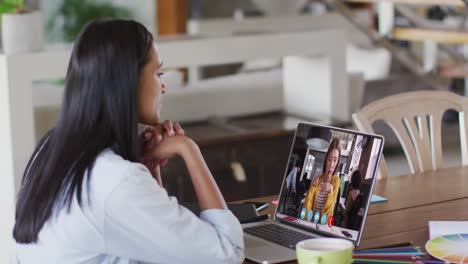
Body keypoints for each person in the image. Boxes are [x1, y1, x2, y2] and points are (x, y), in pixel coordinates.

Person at [12, 19, 244, 264]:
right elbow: (227, 253)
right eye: (158, 73)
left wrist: (150, 169)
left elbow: (158, 246)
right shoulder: (116, 179)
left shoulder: (51, 150)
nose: (163, 86)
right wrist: (189, 149)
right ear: (127, 82)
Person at [303, 138, 341, 218]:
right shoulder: (318, 178)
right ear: (326, 159)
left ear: (337, 162)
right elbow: (306, 209)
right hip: (310, 223)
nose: (331, 165)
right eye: (330, 159)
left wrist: (330, 191)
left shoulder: (336, 181)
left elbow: (329, 214)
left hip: (322, 226)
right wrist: (312, 188)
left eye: (335, 160)